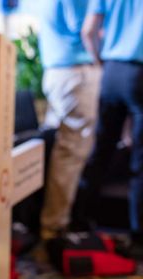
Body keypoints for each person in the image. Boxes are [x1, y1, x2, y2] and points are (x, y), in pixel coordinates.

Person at [80, 0, 143, 259]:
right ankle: (138, 236)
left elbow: (88, 31)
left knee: (100, 151)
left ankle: (80, 220)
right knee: (141, 162)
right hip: (140, 73)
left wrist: (100, 63)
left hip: (111, 71)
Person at [36, 1, 101, 243]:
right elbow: (87, 30)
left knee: (64, 152)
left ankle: (55, 225)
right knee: (71, 154)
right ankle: (55, 229)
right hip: (76, 73)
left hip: (58, 72)